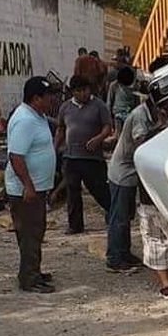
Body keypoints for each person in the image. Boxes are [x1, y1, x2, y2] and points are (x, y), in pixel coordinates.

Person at [6, 76, 57, 293]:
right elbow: (15, 156)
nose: (52, 100)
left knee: (36, 231)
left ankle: (33, 270)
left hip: (37, 187)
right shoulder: (25, 120)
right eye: (48, 96)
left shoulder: (38, 116)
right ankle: (29, 278)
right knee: (29, 233)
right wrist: (28, 185)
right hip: (25, 190)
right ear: (36, 98)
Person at [106, 97, 158, 272]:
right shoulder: (139, 116)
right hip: (123, 173)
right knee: (119, 218)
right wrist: (161, 129)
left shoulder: (147, 113)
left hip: (128, 173)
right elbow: (141, 146)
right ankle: (115, 258)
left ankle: (124, 252)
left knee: (126, 217)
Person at [55, 76, 112, 235]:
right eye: (79, 91)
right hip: (71, 157)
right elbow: (60, 129)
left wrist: (99, 139)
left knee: (99, 189)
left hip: (92, 158)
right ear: (73, 92)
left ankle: (113, 213)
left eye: (85, 90)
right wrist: (54, 148)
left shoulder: (99, 105)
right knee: (72, 191)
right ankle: (75, 225)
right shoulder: (65, 107)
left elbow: (107, 127)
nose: (83, 94)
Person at [107, 66, 140, 138]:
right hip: (117, 115)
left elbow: (137, 101)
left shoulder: (135, 86)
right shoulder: (114, 86)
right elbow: (109, 102)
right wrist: (109, 120)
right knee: (119, 136)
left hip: (131, 115)